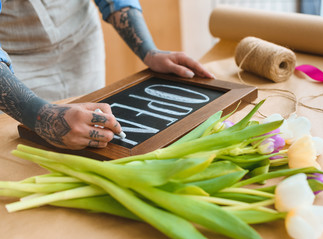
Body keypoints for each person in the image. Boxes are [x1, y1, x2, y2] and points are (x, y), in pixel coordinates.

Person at [0, 0, 214, 150]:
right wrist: (41, 116)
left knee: (86, 134)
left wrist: (147, 49)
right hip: (14, 61)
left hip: (80, 40)